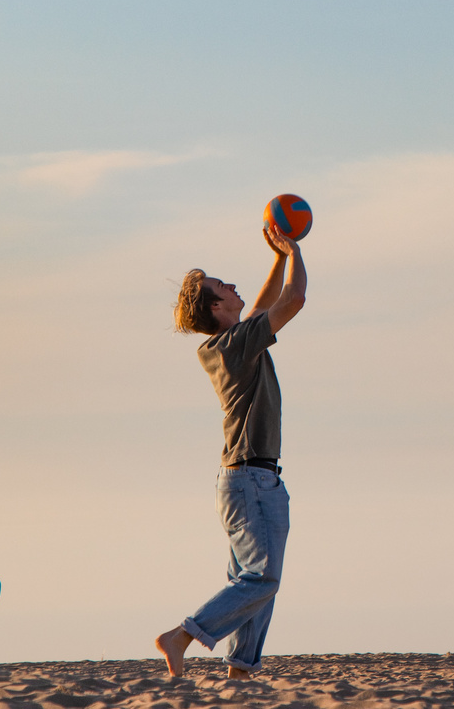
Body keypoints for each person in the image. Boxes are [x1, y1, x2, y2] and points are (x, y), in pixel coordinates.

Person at [156, 222, 307, 680]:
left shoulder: (230, 341)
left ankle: (242, 670)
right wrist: (296, 250)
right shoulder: (234, 345)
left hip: (249, 480)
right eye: (222, 285)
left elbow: (265, 303)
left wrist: (278, 258)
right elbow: (293, 301)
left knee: (257, 583)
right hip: (251, 481)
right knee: (261, 580)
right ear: (216, 306)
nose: (233, 285)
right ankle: (183, 635)